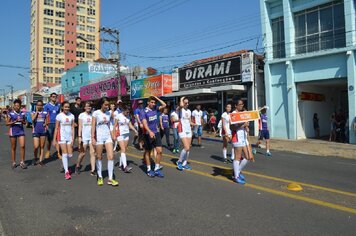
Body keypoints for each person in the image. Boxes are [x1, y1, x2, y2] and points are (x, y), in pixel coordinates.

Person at [91, 97, 118, 186]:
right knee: (99, 157)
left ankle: (110, 179)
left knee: (111, 156)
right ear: (101, 104)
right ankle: (100, 176)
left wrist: (113, 135)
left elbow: (111, 124)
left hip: (107, 137)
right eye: (106, 105)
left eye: (108, 105)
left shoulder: (108, 113)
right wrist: (92, 137)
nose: (107, 106)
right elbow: (93, 126)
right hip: (99, 137)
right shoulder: (96, 113)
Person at [141, 96, 166, 177]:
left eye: (154, 103)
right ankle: (149, 169)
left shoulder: (155, 108)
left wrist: (156, 98)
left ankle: (156, 169)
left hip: (156, 132)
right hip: (147, 134)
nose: (153, 104)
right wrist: (149, 131)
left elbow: (164, 105)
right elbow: (144, 124)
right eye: (152, 102)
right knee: (148, 152)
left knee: (160, 151)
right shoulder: (143, 111)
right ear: (148, 102)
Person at [230, 100, 253, 184]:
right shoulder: (233, 114)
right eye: (240, 104)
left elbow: (245, 124)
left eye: (242, 104)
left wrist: (246, 127)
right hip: (236, 137)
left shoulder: (243, 113)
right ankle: (236, 176)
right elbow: (231, 127)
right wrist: (242, 125)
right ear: (235, 105)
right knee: (237, 157)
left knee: (248, 157)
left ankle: (237, 172)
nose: (241, 106)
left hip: (244, 137)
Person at [53, 101, 75, 180]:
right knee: (65, 154)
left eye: (68, 107)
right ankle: (66, 171)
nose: (67, 108)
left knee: (70, 154)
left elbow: (72, 127)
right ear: (62, 107)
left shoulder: (72, 116)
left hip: (69, 137)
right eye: (65, 107)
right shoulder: (59, 116)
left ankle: (64, 163)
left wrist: (73, 138)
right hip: (61, 137)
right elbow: (56, 128)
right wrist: (54, 139)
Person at [113, 105, 138, 173]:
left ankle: (121, 165)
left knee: (123, 150)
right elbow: (114, 126)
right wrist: (114, 135)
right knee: (123, 149)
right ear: (123, 110)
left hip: (126, 134)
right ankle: (125, 166)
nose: (128, 113)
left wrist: (135, 130)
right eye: (127, 112)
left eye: (128, 112)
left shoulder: (128, 116)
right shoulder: (118, 116)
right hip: (120, 134)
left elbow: (130, 125)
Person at [75, 102, 96, 176]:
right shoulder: (81, 115)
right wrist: (79, 136)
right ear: (84, 107)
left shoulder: (93, 115)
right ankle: (77, 166)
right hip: (84, 137)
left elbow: (94, 126)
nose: (88, 107)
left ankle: (93, 170)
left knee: (92, 153)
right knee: (82, 153)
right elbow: (80, 126)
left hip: (91, 137)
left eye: (90, 106)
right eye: (87, 106)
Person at [6, 99, 27, 169]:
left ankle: (22, 162)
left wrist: (22, 121)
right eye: (15, 105)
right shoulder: (11, 113)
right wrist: (15, 121)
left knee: (23, 146)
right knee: (13, 147)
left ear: (20, 106)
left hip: (21, 131)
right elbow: (7, 123)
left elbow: (25, 122)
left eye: (18, 106)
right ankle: (14, 162)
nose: (16, 107)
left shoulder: (23, 113)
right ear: (13, 106)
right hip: (13, 131)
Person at [176, 97, 194, 171]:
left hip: (188, 130)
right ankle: (179, 161)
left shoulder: (189, 111)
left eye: (187, 103)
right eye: (185, 103)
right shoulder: (180, 109)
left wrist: (194, 124)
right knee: (186, 147)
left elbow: (189, 121)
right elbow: (180, 106)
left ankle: (184, 163)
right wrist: (181, 100)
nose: (187, 104)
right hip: (182, 129)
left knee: (188, 148)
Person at [31, 100, 48, 166]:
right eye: (38, 105)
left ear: (42, 105)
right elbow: (32, 119)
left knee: (42, 146)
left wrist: (45, 123)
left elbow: (46, 120)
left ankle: (40, 160)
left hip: (43, 131)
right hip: (35, 131)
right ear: (36, 105)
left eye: (40, 105)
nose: (39, 106)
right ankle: (35, 158)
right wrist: (37, 112)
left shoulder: (45, 112)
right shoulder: (33, 112)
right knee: (36, 146)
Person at [44, 92, 61, 158]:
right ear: (50, 97)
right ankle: (48, 151)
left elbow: (59, 115)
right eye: (53, 96)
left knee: (57, 139)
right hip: (49, 124)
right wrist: (46, 124)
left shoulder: (58, 105)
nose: (54, 98)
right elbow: (45, 115)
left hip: (56, 124)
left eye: (55, 97)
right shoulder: (46, 106)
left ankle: (58, 153)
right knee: (49, 139)